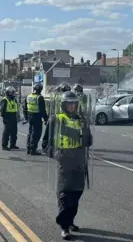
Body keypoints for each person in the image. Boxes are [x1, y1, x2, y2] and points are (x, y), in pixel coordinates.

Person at [41, 91, 93, 240]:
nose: (72, 107)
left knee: (76, 194)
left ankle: (70, 221)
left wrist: (85, 128)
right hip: (64, 162)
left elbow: (89, 142)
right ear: (63, 105)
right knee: (64, 195)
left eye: (74, 104)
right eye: (69, 104)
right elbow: (45, 144)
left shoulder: (81, 120)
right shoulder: (56, 120)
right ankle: (64, 227)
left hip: (79, 161)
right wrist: (55, 154)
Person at [23, 83, 48, 155]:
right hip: (37, 117)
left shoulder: (28, 96)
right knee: (36, 133)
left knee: (30, 132)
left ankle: (29, 148)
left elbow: (24, 107)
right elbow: (42, 110)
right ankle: (33, 149)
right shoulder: (39, 97)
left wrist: (26, 117)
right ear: (40, 89)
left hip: (30, 116)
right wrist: (46, 119)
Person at [0, 86, 19, 150]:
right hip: (7, 117)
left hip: (13, 116)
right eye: (13, 92)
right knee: (6, 133)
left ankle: (12, 145)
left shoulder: (14, 99)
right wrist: (4, 118)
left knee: (14, 132)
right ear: (9, 92)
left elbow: (16, 109)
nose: (14, 93)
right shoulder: (5, 100)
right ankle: (4, 145)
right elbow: (2, 110)